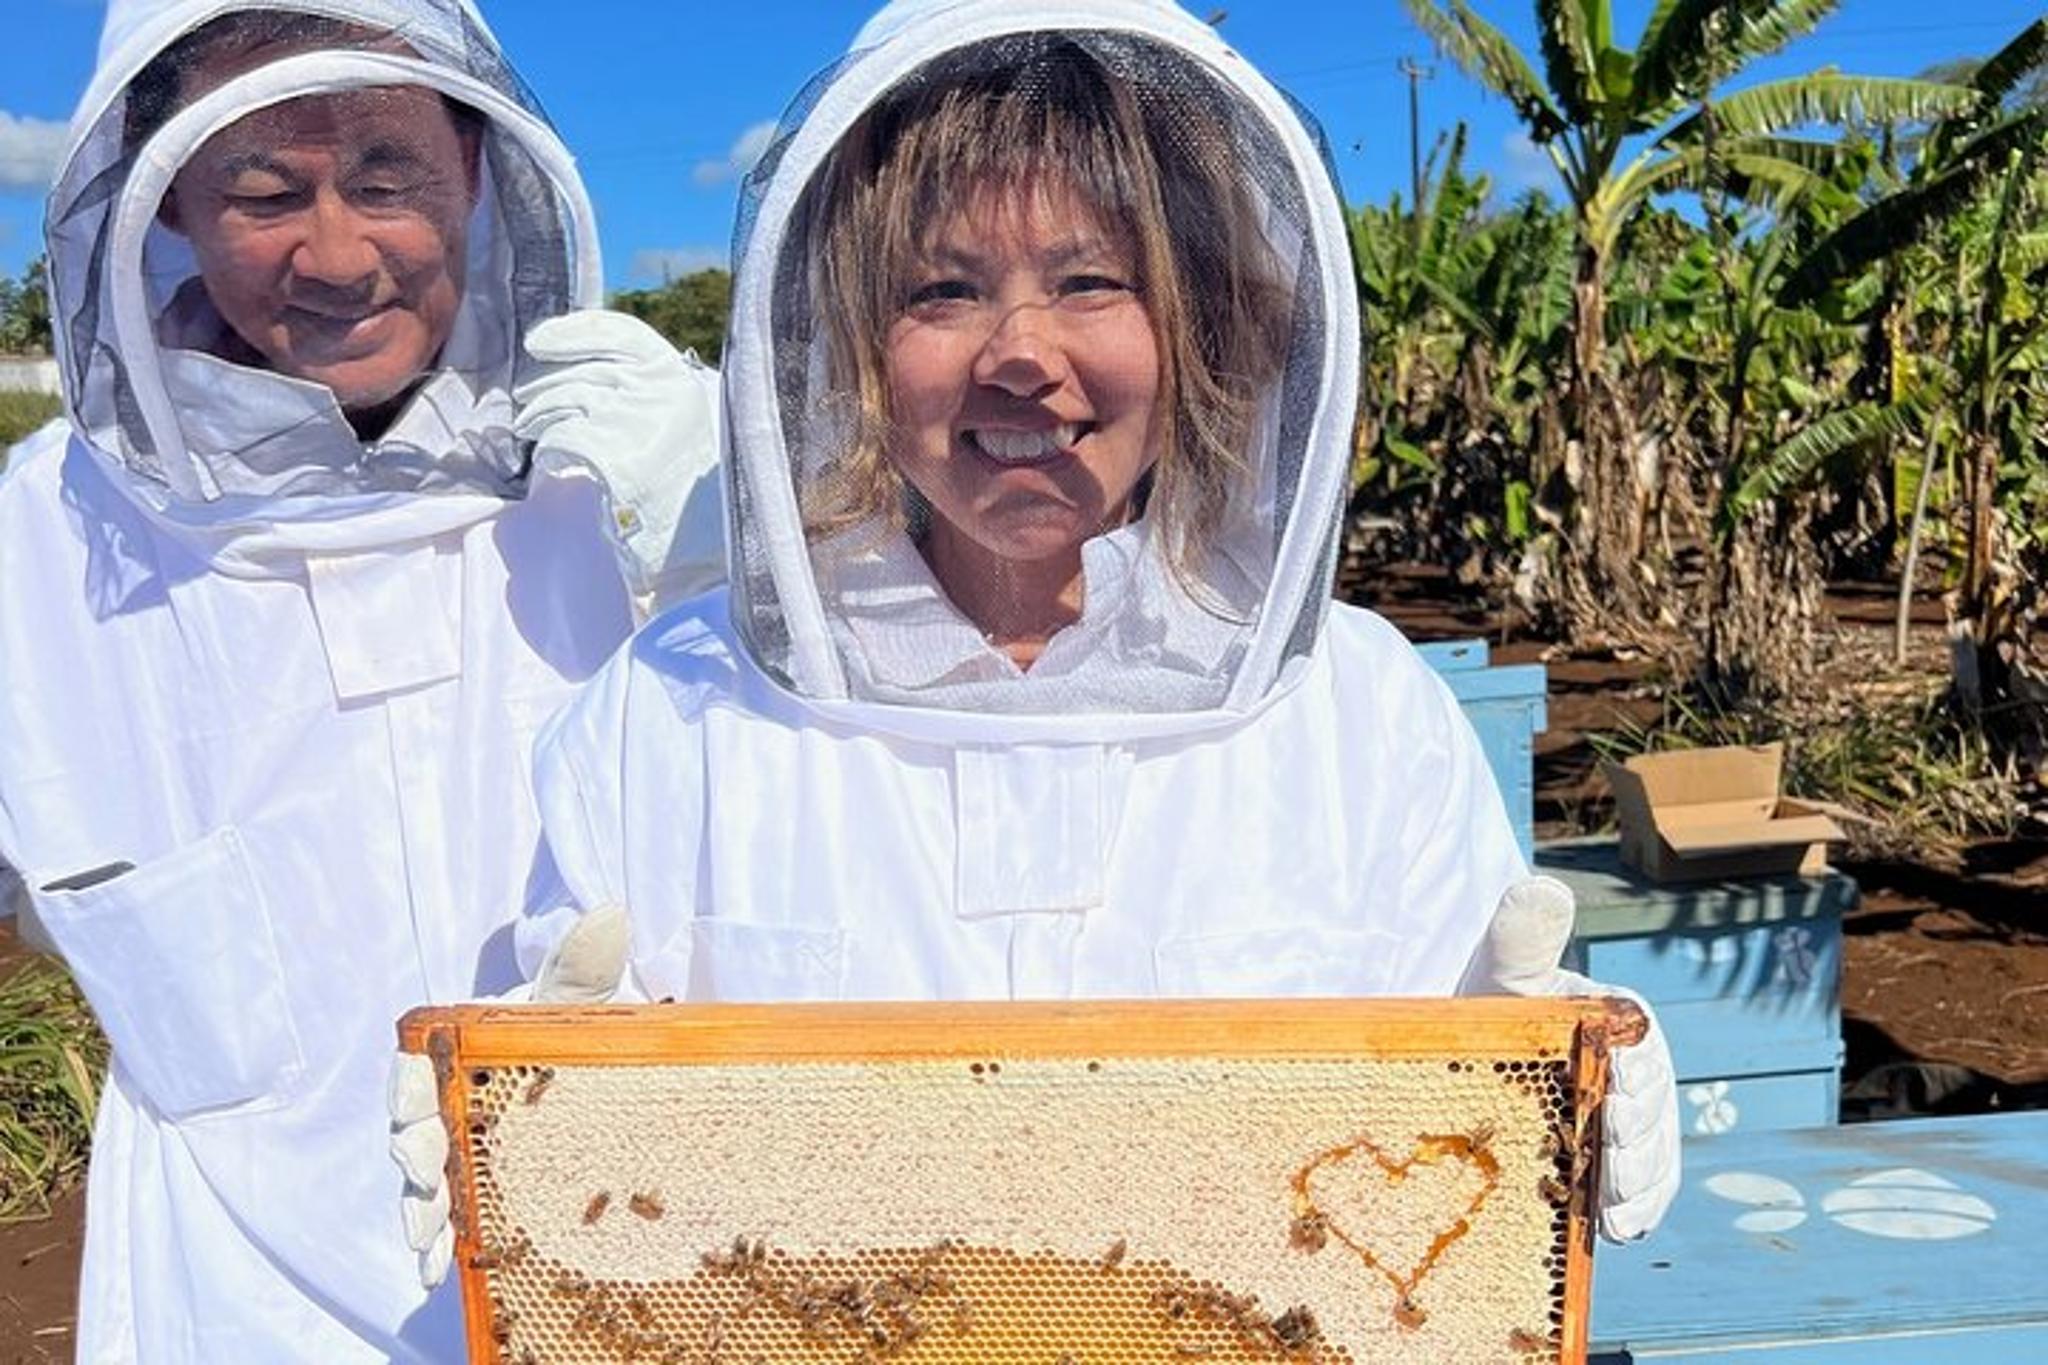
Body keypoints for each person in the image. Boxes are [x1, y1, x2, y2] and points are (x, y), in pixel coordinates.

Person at [396, 0, 1677, 1298]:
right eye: (941, 291)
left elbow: (1436, 1166)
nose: (1020, 353)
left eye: (1091, 282)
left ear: (1197, 333)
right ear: (852, 343)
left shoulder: (1360, 716)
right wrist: (548, 1106)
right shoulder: (670, 718)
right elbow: (614, 1203)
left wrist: (1542, 1046)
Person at [0, 0, 720, 1359]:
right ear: (164, 201)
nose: (336, 255)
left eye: (387, 177)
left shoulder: (618, 463)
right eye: (262, 193)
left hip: (633, 1260)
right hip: (234, 1308)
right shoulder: (44, 541)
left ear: (474, 166)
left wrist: (740, 564)